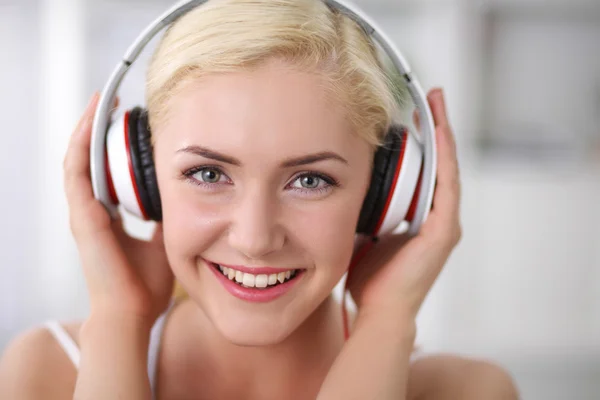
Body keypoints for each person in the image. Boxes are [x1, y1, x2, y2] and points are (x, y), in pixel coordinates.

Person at [0, 0, 519, 398]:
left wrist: (388, 320)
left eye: (310, 180)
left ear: (390, 190)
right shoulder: (45, 371)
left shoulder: (465, 391)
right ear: (137, 180)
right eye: (207, 172)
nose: (254, 239)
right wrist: (119, 318)